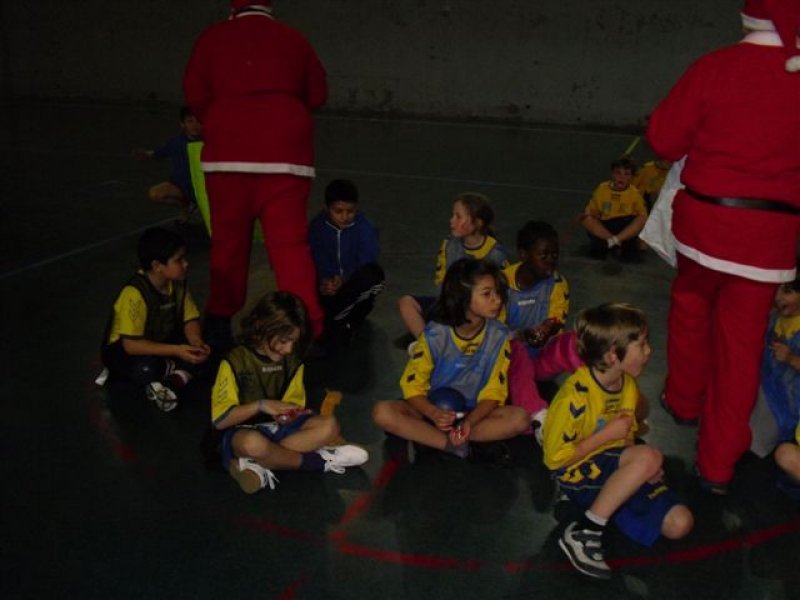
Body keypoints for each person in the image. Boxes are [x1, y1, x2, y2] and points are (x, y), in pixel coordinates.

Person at [646, 0, 800, 494]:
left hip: (706, 225)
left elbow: (664, 140)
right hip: (769, 241)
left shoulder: (714, 66)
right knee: (742, 347)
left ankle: (684, 398)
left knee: (691, 305)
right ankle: (718, 464)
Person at [183, 0, 328, 348]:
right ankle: (308, 326)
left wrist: (224, 118)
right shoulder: (293, 39)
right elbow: (317, 94)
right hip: (286, 158)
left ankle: (219, 319)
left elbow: (195, 93)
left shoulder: (213, 38)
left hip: (228, 157)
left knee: (228, 244)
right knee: (290, 247)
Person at [542, 303, 693, 579]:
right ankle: (586, 531)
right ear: (613, 354)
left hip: (611, 464)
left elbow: (627, 438)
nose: (649, 351)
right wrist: (607, 437)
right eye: (642, 344)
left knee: (680, 523)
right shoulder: (574, 397)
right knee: (649, 456)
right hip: (577, 471)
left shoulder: (628, 385)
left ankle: (602, 506)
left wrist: (642, 471)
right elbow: (555, 461)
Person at [210, 292, 369, 494]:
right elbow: (220, 421)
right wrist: (261, 405)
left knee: (330, 426)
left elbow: (293, 408)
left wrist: (291, 413)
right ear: (261, 327)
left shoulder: (292, 361)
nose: (288, 349)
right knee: (253, 444)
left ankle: (263, 462)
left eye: (293, 342)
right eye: (284, 341)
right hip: (242, 432)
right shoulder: (235, 361)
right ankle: (318, 461)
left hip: (278, 431)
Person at [373, 258, 530, 460]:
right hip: (432, 411)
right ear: (463, 297)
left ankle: (440, 438)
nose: (497, 300)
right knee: (382, 413)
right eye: (487, 294)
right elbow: (413, 388)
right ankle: (450, 444)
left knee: (520, 419)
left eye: (498, 293)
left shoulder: (498, 336)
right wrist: (433, 413)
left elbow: (494, 393)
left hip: (471, 413)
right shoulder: (435, 335)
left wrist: (469, 423)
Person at [101, 227, 211, 411]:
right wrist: (178, 351)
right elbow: (131, 345)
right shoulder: (135, 293)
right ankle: (176, 374)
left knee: (207, 351)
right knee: (145, 369)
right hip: (127, 352)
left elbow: (189, 319)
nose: (186, 264)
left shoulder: (176, 285)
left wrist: (196, 342)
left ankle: (170, 381)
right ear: (157, 266)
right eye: (179, 260)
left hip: (161, 342)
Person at [397, 192, 508, 344]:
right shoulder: (449, 244)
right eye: (453, 215)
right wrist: (446, 305)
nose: (452, 221)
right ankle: (425, 344)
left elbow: (502, 293)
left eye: (458, 217)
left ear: (477, 223)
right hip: (450, 304)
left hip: (477, 311)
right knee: (406, 303)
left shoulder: (495, 254)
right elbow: (441, 280)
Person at [501, 221, 572, 433]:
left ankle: (598, 397)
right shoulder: (501, 283)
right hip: (508, 360)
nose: (551, 260)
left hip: (541, 359)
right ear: (524, 254)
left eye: (555, 255)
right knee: (517, 351)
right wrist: (522, 336)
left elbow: (556, 319)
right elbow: (493, 331)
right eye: (544, 255)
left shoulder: (557, 283)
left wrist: (547, 329)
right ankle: (538, 417)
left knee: (575, 341)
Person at [308, 179, 385, 347]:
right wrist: (324, 280)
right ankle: (335, 321)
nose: (345, 216)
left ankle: (341, 321)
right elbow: (316, 257)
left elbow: (367, 258)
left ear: (356, 208)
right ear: (327, 209)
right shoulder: (316, 227)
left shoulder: (366, 227)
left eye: (350, 211)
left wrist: (344, 278)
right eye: (338, 211)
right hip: (326, 289)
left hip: (351, 288)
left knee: (374, 274)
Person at [748, 277, 800, 500]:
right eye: (776, 291)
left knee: (757, 438)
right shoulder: (774, 317)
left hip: (786, 399)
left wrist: (792, 359)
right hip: (764, 381)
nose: (779, 298)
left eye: (787, 292)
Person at [132, 107, 203, 221]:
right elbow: (158, 153)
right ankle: (185, 205)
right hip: (181, 187)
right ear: (182, 124)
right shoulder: (176, 142)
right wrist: (145, 154)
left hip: (204, 189)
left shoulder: (211, 142)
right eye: (190, 121)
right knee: (155, 193)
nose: (194, 125)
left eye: (198, 121)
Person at [580, 157, 648, 261]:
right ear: (612, 174)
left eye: (626, 174)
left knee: (642, 218)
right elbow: (591, 210)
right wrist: (590, 214)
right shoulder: (602, 188)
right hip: (605, 227)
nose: (622, 177)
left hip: (624, 228)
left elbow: (642, 217)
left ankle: (615, 241)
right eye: (618, 173)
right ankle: (613, 241)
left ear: (632, 177)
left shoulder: (635, 193)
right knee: (585, 218)